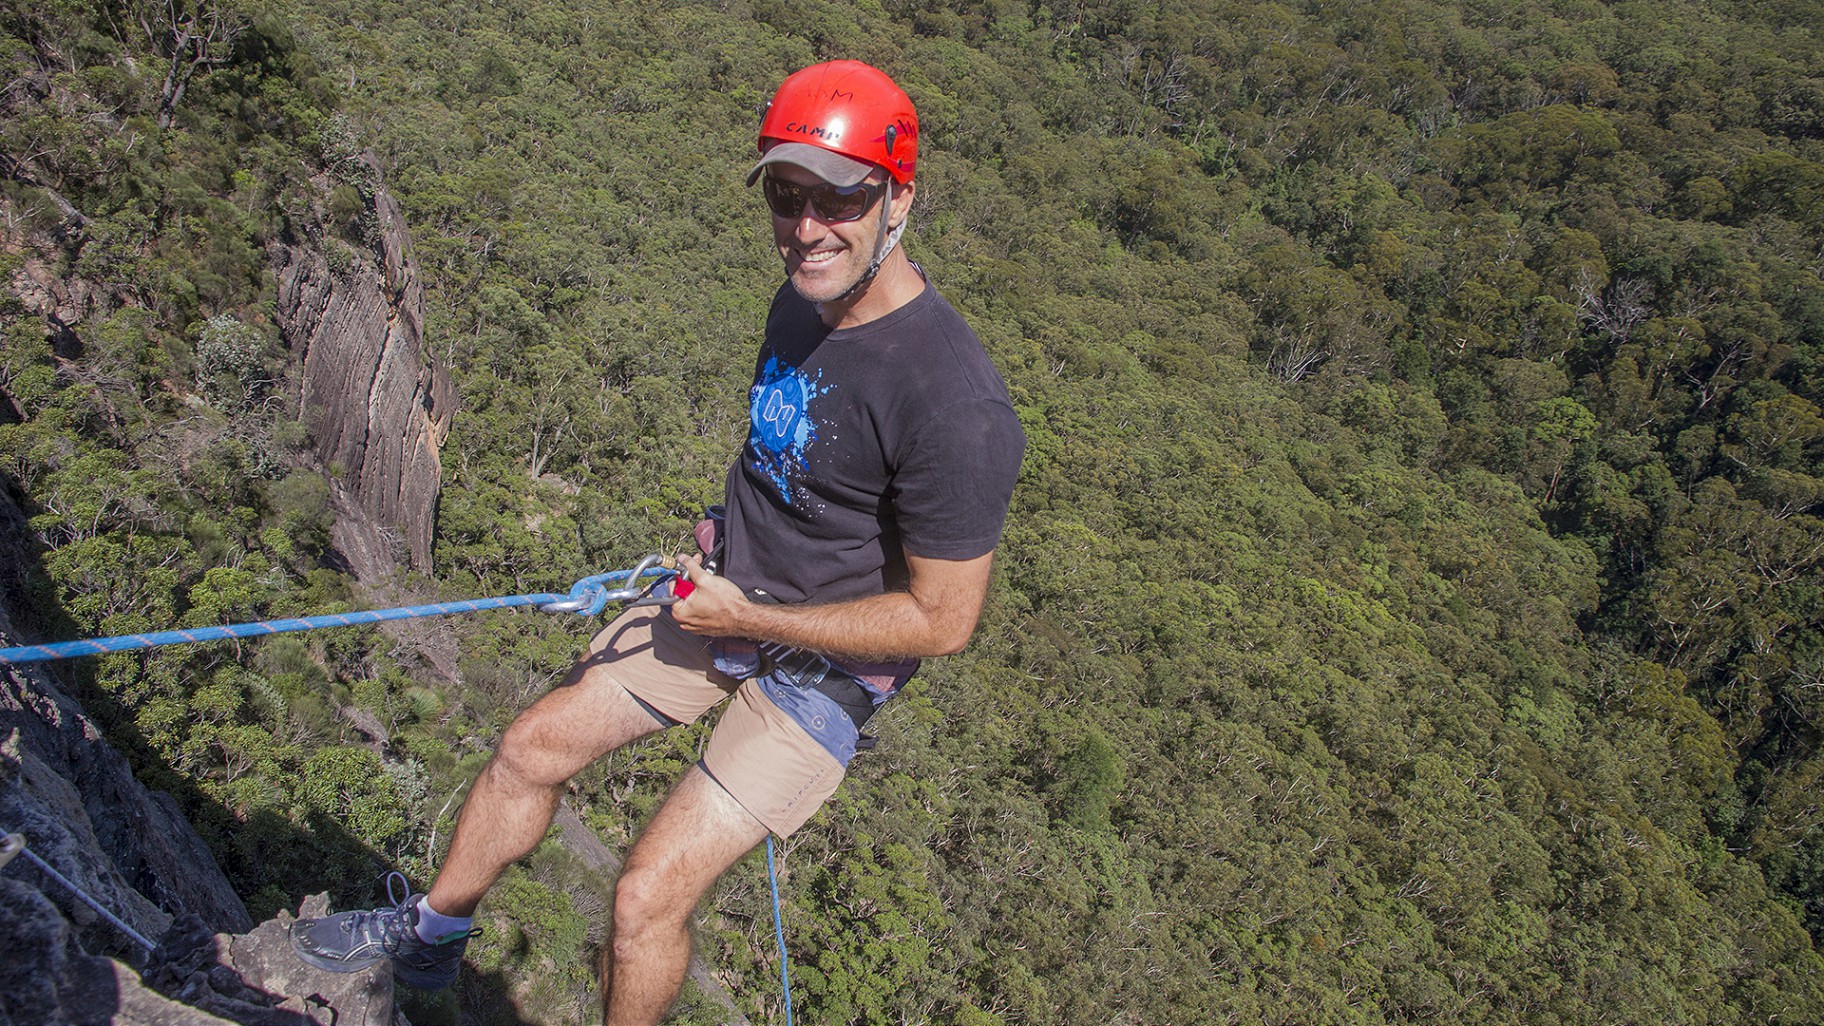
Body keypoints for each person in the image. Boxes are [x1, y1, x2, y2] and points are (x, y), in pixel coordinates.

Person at [290, 59, 1025, 1024]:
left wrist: (754, 613)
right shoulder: (801, 298)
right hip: (725, 595)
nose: (807, 228)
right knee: (529, 748)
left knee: (643, 899)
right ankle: (431, 940)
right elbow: (789, 449)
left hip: (825, 671)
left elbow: (942, 620)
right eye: (785, 193)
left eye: (840, 198)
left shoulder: (956, 403)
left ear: (898, 199)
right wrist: (736, 534)